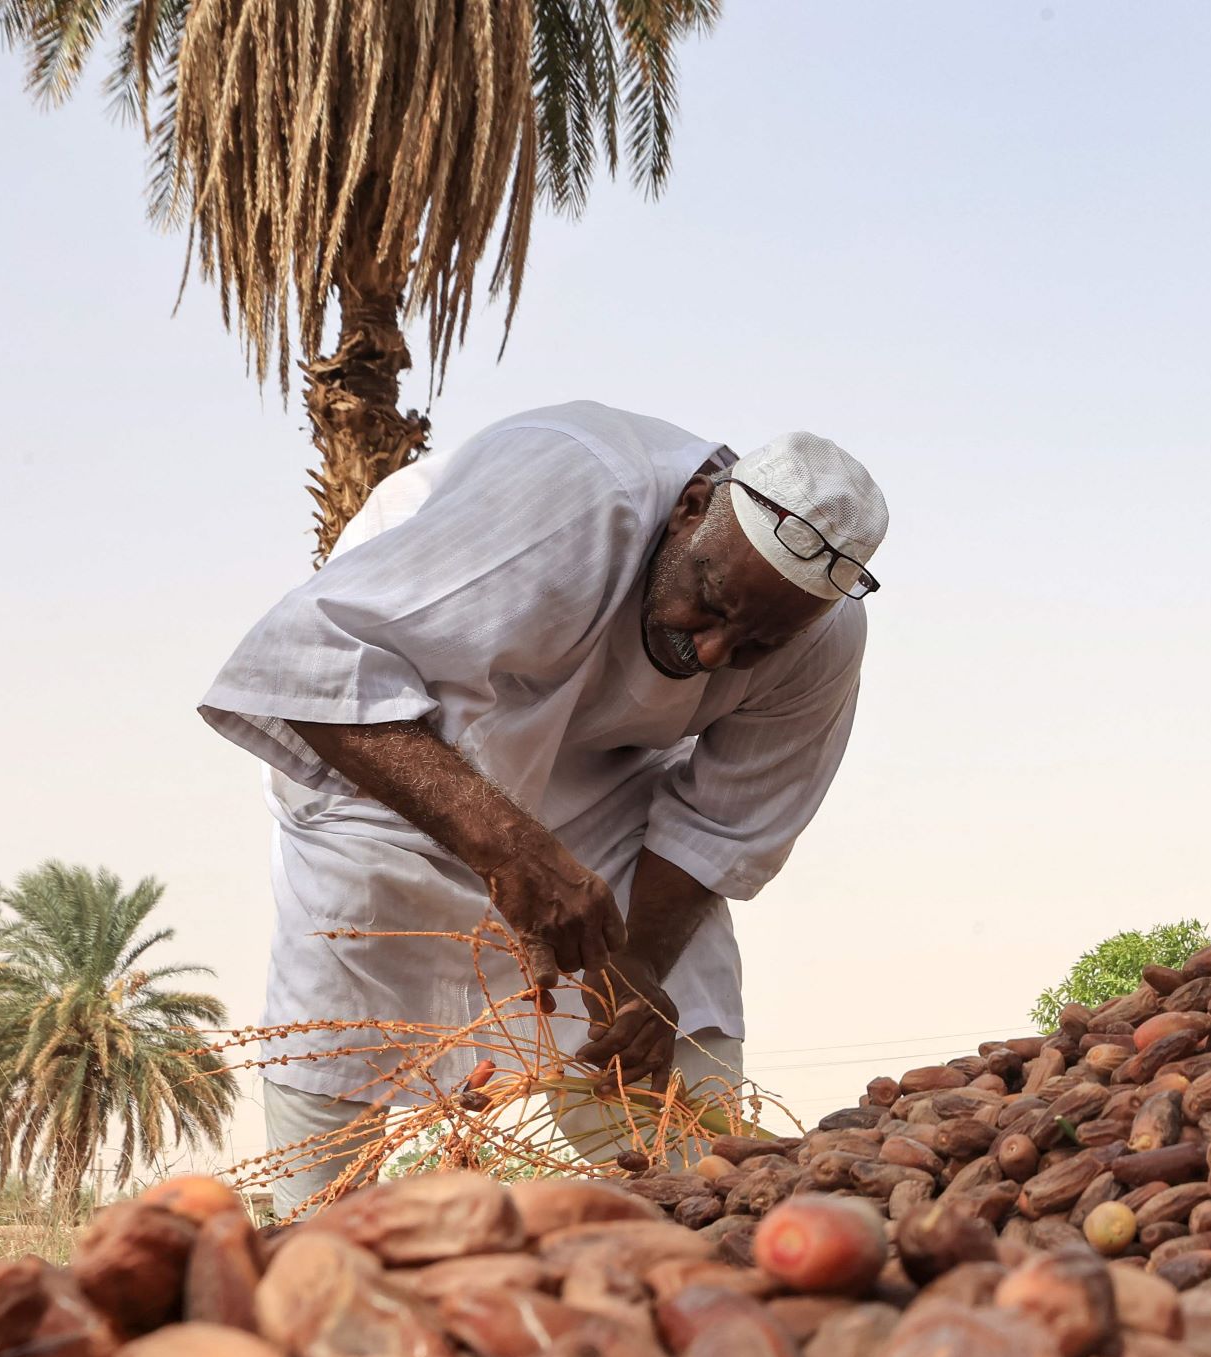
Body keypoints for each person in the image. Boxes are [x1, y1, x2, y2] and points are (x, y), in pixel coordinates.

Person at [201, 402, 886, 1213]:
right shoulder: (571, 494)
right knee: (348, 987)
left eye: (754, 646)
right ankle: (310, 1232)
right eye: (710, 602)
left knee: (678, 1062)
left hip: (607, 788)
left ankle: (697, 1238)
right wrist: (512, 850)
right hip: (402, 745)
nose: (711, 651)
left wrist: (635, 965)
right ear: (690, 507)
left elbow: (722, 822)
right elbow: (314, 664)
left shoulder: (824, 641)